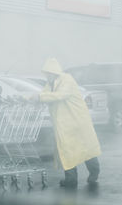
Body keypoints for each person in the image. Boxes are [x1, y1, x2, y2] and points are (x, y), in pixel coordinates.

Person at [38, 58, 101, 187]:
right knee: (66, 151)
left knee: (86, 148)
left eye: (49, 73)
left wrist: (39, 97)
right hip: (63, 125)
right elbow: (44, 95)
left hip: (77, 121)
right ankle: (71, 179)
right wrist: (30, 98)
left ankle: (94, 171)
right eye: (46, 73)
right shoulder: (50, 84)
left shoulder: (67, 80)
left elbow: (61, 95)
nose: (47, 76)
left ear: (55, 72)